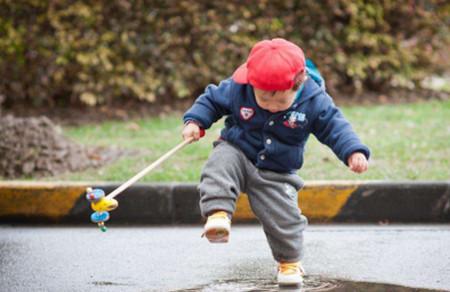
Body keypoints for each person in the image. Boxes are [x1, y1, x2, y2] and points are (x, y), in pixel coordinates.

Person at [181, 38, 370, 287]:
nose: (270, 106)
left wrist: (352, 151)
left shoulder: (314, 100)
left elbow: (335, 126)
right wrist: (195, 121)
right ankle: (218, 214)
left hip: (277, 169)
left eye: (280, 101)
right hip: (238, 149)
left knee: (284, 218)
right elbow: (212, 100)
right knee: (219, 165)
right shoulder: (240, 87)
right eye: (263, 100)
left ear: (298, 84)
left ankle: (289, 262)